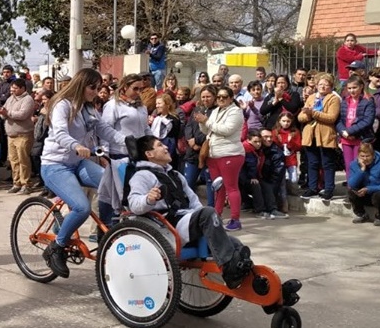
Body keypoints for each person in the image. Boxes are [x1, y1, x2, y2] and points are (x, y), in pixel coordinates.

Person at [127, 136, 254, 289]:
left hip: (186, 221)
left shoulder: (176, 175)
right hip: (167, 226)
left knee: (235, 244)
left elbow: (194, 201)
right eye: (160, 145)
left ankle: (255, 283)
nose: (166, 147)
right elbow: (133, 204)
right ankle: (230, 270)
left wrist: (208, 220)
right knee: (208, 213)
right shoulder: (142, 176)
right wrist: (148, 199)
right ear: (149, 154)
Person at [40, 68, 126, 279]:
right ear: (81, 84)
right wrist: (76, 145)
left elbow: (105, 130)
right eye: (92, 87)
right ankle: (56, 247)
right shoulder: (62, 105)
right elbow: (59, 133)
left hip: (79, 163)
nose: (96, 92)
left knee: (113, 186)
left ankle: (106, 233)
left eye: (98, 88)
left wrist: (132, 142)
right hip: (55, 165)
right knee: (82, 207)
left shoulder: (88, 108)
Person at [196, 86, 245, 231]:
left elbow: (227, 130)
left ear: (231, 98)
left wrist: (207, 121)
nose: (221, 99)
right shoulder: (216, 111)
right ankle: (217, 215)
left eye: (224, 97)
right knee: (218, 188)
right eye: (219, 97)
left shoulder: (235, 112)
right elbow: (207, 130)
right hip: (214, 154)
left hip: (230, 153)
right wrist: (201, 121)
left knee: (231, 187)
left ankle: (235, 219)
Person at [298, 73, 341, 200]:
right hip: (310, 134)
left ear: (331, 86)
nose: (323, 87)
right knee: (312, 162)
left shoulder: (333, 99)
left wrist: (313, 113)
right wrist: (309, 114)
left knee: (327, 163)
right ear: (316, 86)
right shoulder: (311, 98)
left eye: (326, 85)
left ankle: (328, 189)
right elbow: (301, 117)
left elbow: (331, 117)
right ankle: (312, 187)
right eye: (320, 84)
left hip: (325, 134)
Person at [0, 77, 36, 194]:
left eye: (15, 88)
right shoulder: (11, 99)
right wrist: (2, 113)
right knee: (13, 161)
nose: (12, 90)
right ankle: (16, 183)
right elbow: (4, 112)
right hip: (11, 135)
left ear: (22, 88)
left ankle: (26, 184)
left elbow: (23, 114)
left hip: (23, 134)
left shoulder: (28, 99)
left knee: (23, 160)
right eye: (12, 88)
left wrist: (7, 113)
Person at [347, 142, 380, 225]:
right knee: (351, 191)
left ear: (373, 155)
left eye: (367, 156)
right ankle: (361, 214)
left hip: (379, 195)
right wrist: (362, 170)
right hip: (364, 195)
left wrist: (369, 189)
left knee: (378, 195)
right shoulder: (353, 164)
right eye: (362, 156)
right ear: (358, 156)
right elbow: (351, 184)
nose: (365, 159)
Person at [337, 76, 375, 174]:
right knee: (349, 166)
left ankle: (359, 187)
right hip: (346, 139)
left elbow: (368, 120)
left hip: (360, 138)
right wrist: (343, 132)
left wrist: (349, 131)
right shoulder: (344, 101)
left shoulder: (368, 100)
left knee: (359, 165)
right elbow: (339, 120)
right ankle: (351, 187)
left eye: (354, 87)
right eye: (349, 88)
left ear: (361, 86)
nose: (352, 90)